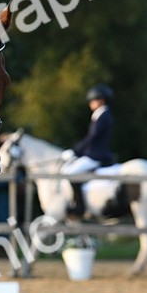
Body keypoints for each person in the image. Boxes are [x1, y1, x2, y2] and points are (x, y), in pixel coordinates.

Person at [61, 84, 115, 218]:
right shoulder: (101, 115)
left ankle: (80, 208)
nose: (90, 103)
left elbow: (92, 138)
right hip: (92, 154)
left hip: (95, 156)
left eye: (93, 100)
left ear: (101, 101)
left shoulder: (103, 116)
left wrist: (75, 151)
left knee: (70, 173)